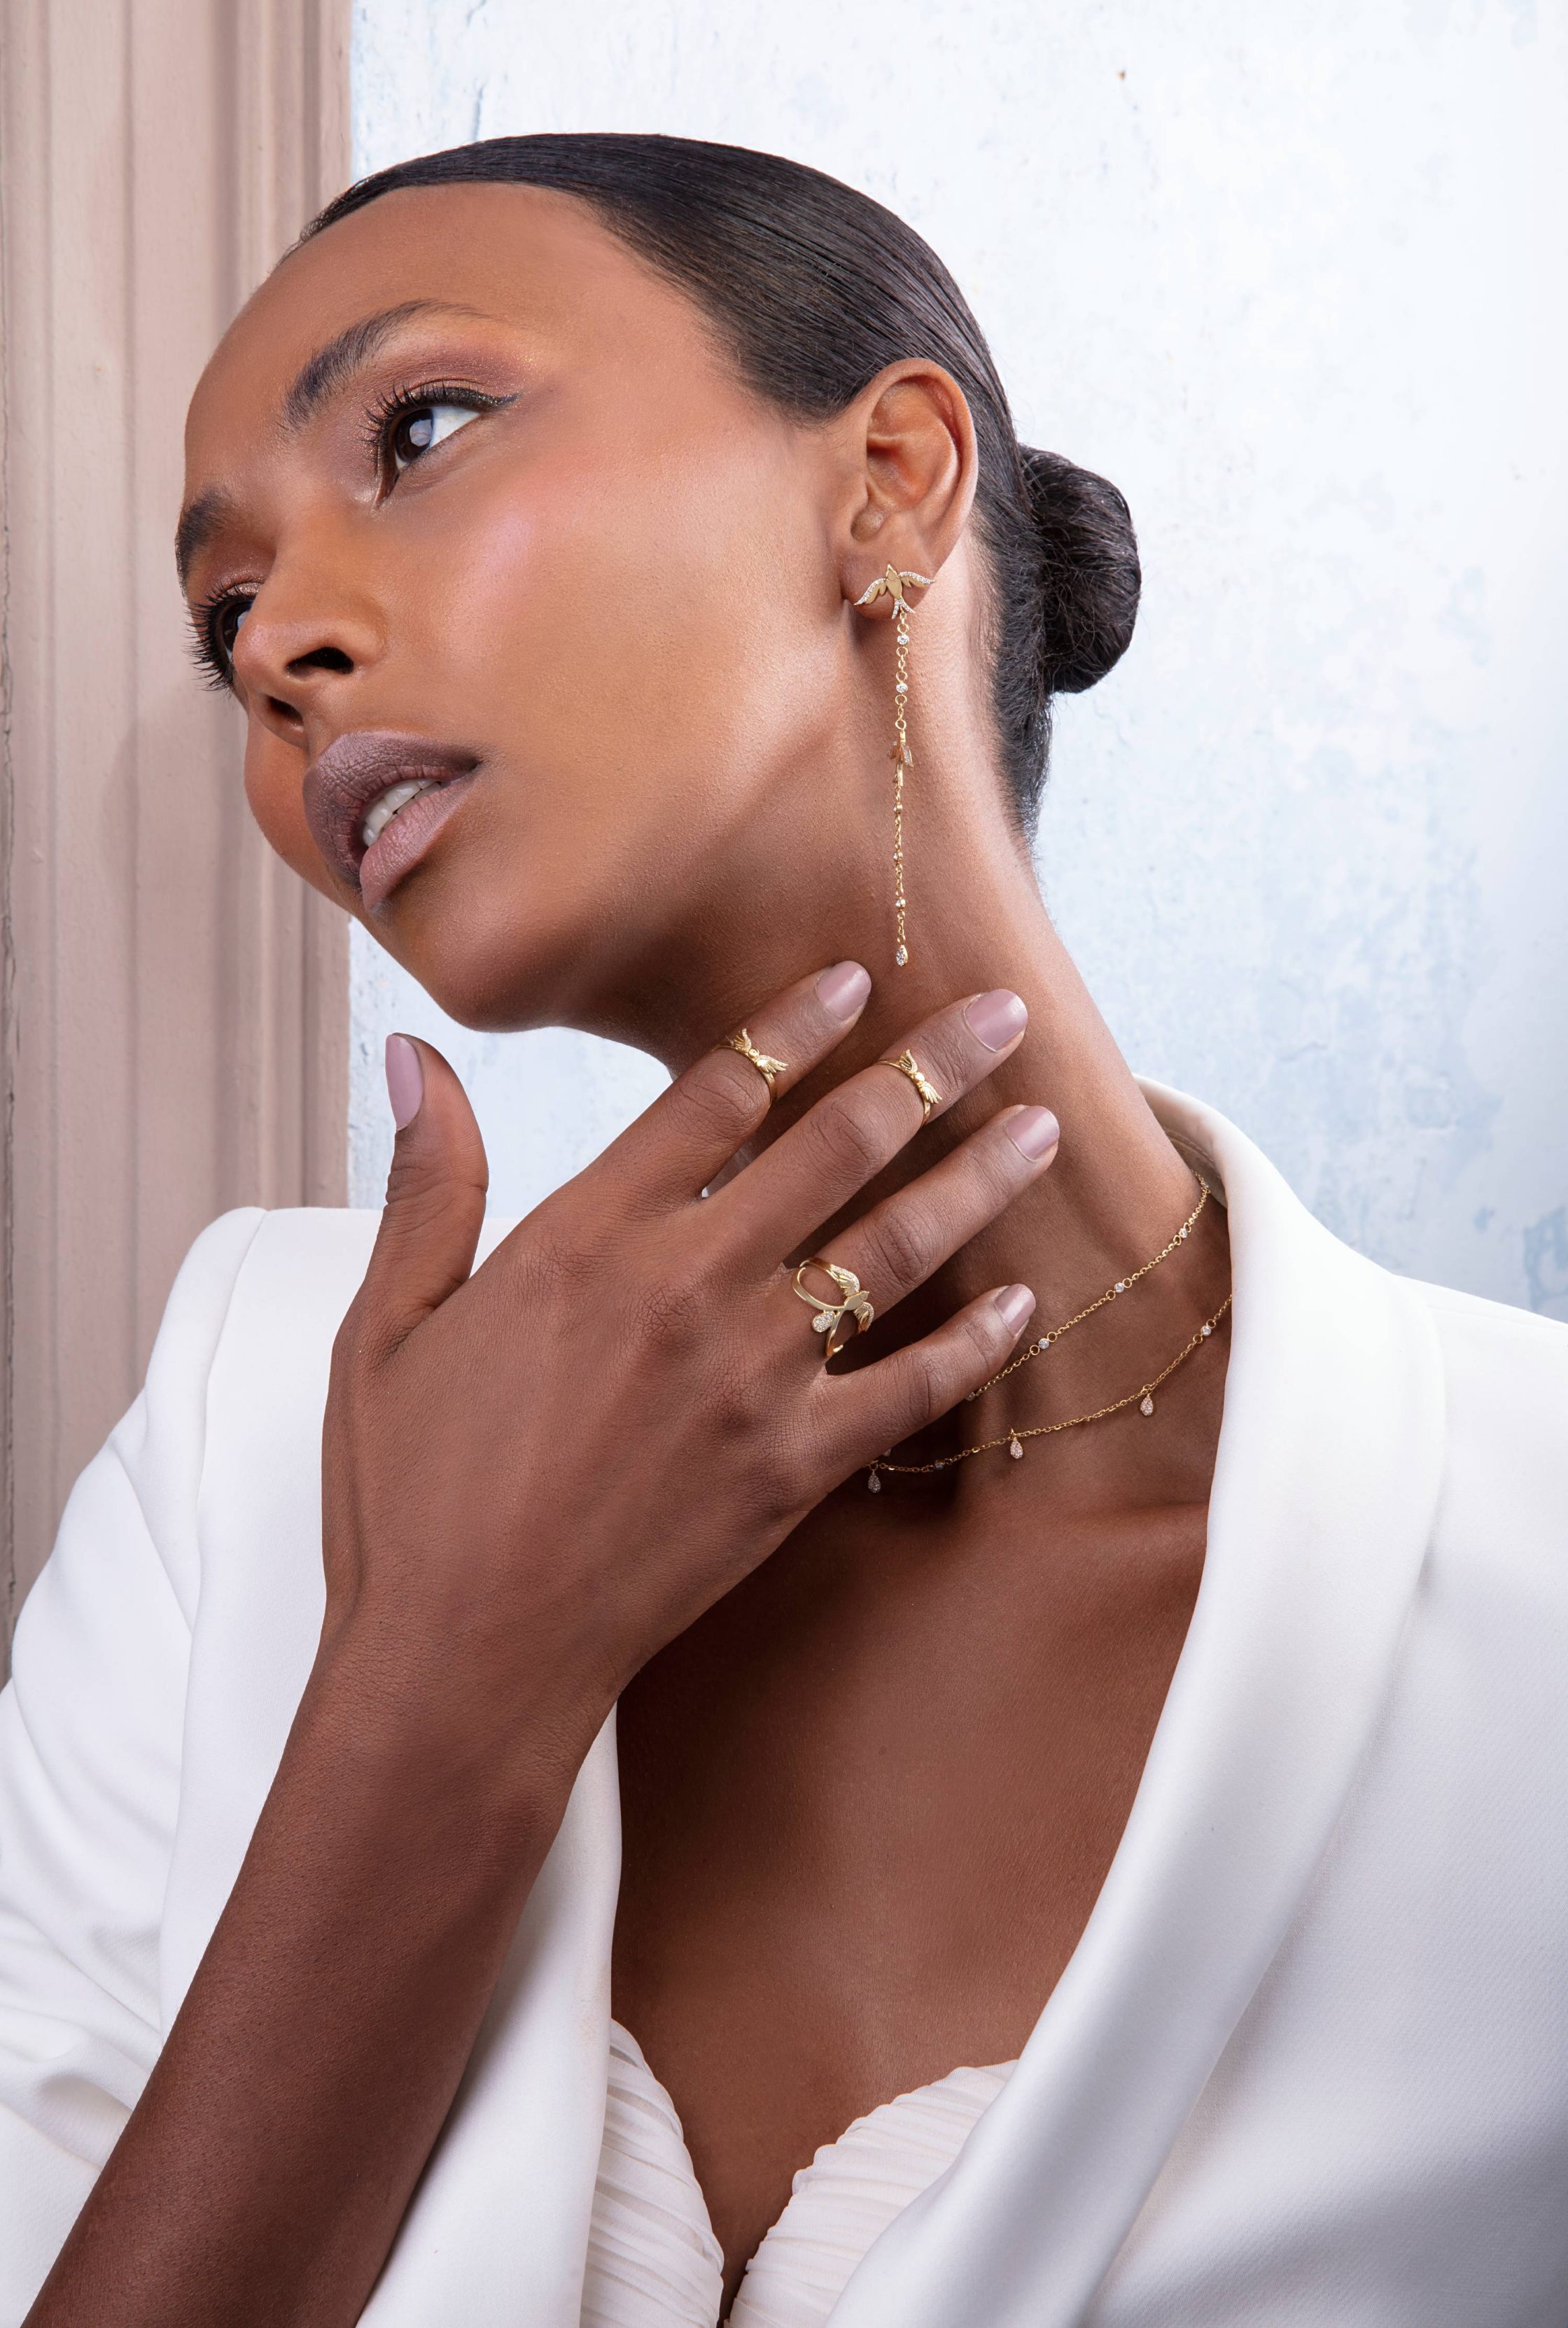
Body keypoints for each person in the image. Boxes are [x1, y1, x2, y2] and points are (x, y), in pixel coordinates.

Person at [1, 135, 1564, 2328]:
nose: (278, 650)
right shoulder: (240, 1437)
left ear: (894, 482)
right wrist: (440, 1689)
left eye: (419, 432)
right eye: (222, 616)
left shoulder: (1528, 1566)